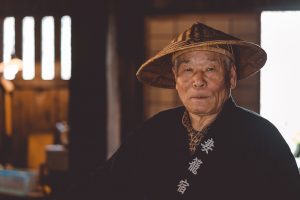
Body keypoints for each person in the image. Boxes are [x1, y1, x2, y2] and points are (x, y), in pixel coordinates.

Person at [68, 22, 300, 200]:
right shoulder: (154, 130)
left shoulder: (262, 137)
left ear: (231, 77)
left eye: (210, 69)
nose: (198, 81)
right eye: (187, 70)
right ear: (176, 79)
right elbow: (104, 185)